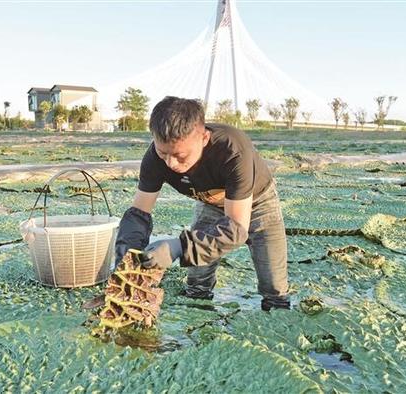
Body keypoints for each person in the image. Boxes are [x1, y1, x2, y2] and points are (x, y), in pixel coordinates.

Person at [109, 96, 289, 311]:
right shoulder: (154, 159)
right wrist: (127, 259)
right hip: (211, 203)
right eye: (163, 153)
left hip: (259, 203)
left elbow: (236, 229)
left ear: (204, 138)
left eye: (180, 156)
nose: (171, 163)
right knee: (196, 284)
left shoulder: (232, 150)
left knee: (274, 288)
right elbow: (139, 213)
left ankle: (276, 307)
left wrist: (179, 247)